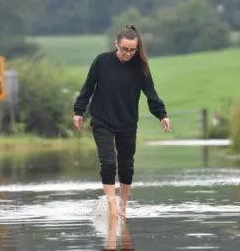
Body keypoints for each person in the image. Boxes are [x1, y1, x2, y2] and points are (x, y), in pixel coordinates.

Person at [72, 24, 170, 219]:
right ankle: (112, 205)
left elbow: (150, 93)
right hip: (102, 120)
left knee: (126, 165)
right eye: (125, 49)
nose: (128, 54)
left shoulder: (140, 67)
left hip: (127, 122)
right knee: (108, 163)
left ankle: (123, 207)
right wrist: (79, 111)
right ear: (117, 44)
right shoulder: (101, 62)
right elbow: (88, 88)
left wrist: (161, 114)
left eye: (132, 50)